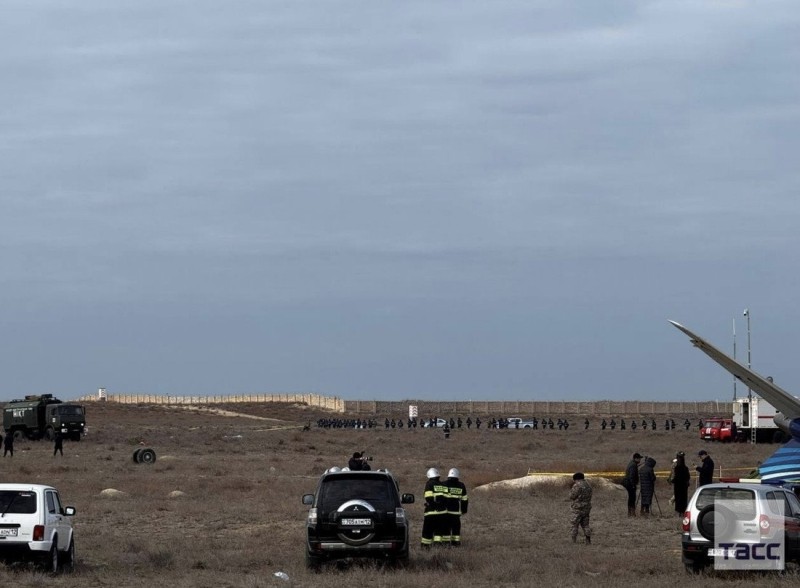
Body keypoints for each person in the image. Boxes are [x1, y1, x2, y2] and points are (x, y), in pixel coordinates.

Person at [421, 468, 448, 547]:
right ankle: (437, 545)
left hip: (431, 512)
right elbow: (447, 498)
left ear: (429, 476)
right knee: (439, 530)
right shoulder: (443, 485)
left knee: (427, 530)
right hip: (442, 513)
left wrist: (433, 505)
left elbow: (428, 497)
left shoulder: (429, 484)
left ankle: (425, 546)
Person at [445, 468, 468, 546]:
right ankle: (456, 543)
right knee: (456, 529)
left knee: (446, 528)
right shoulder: (461, 485)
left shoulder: (443, 484)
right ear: (457, 476)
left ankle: (446, 544)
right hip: (456, 512)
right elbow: (464, 499)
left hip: (445, 512)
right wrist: (464, 510)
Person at [569, 472, 592, 544]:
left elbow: (572, 496)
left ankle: (573, 541)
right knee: (586, 524)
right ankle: (588, 540)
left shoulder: (577, 485)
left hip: (577, 508)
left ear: (576, 479)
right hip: (587, 507)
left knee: (574, 524)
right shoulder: (588, 485)